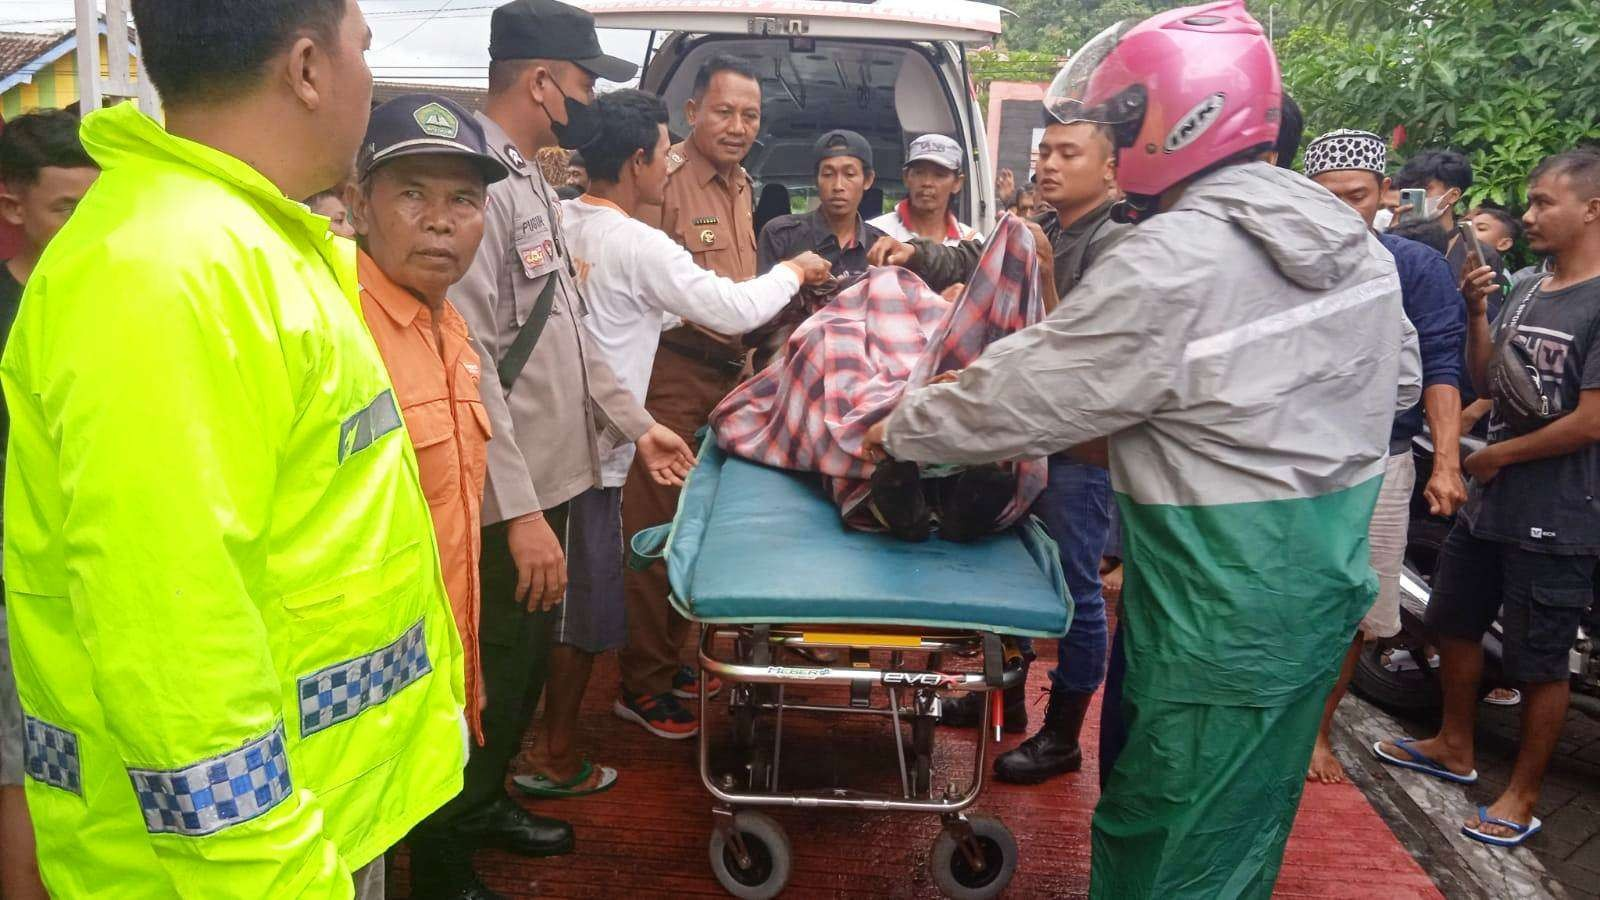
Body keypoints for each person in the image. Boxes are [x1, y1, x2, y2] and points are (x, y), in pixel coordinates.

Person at [863, 3, 1404, 894]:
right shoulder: (1347, 243)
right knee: (1240, 819)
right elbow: (1251, 416)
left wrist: (903, 426)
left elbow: (1038, 384)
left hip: (1221, 594)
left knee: (1171, 831)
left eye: (1121, 121)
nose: (1114, 141)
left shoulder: (1178, 259)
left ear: (1178, 118)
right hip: (1310, 583)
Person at [2, 1, 469, 896]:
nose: (371, 80)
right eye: (363, 50)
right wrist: (273, 874)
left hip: (314, 813)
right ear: (306, 68)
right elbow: (173, 642)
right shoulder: (168, 274)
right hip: (238, 862)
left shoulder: (250, 244)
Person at [413, 1, 697, 894]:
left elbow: (570, 333)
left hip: (559, 470)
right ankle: (445, 857)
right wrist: (521, 511)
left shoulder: (530, 183)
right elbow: (477, 363)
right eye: (581, 83)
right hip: (515, 487)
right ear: (541, 82)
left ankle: (487, 799)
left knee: (527, 655)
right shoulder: (479, 188)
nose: (584, 101)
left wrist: (637, 421)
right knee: (489, 665)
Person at [1374, 149, 1600, 848]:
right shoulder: (1529, 286)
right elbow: (1487, 380)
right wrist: (1477, 314)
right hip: (1492, 500)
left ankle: (1524, 794)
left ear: (1592, 209)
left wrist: (1497, 454)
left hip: (1560, 512)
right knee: (1452, 619)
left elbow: (1592, 419)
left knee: (1538, 659)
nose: (1527, 216)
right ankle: (1455, 744)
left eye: (1541, 203)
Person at [343, 94, 510, 898]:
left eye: (464, 200)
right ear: (357, 201)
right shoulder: (336, 327)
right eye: (412, 193)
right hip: (352, 697)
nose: (441, 221)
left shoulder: (451, 330)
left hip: (437, 659)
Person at [1301, 129, 1467, 785]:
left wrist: (1448, 459)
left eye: (1357, 196)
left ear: (1384, 198)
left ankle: (1317, 731)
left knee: (1352, 610)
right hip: (1284, 464)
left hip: (1381, 461)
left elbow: (1441, 367)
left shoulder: (1414, 268)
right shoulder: (1280, 263)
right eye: (1328, 197)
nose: (1344, 210)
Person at [618, 54, 766, 739]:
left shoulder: (742, 186)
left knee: (698, 523)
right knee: (657, 527)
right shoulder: (666, 181)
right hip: (673, 374)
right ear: (692, 113)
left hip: (728, 377)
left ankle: (673, 658)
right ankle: (641, 684)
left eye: (750, 115)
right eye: (725, 112)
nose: (737, 127)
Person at [0, 106, 96, 900]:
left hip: (94, 585)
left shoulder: (114, 307)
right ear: (13, 206)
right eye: (67, 208)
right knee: (24, 773)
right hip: (17, 589)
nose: (85, 227)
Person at [758, 130, 888, 278]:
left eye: (849, 174)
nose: (838, 185)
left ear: (868, 180)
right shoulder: (781, 236)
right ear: (816, 181)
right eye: (828, 174)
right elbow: (766, 297)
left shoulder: (881, 246)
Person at [1393, 148, 1502, 284]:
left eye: (1424, 189)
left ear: (1453, 195)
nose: (1417, 198)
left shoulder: (1479, 254)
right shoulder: (1391, 244)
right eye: (1409, 190)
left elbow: (1488, 303)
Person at [867, 134, 981, 245]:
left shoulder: (971, 242)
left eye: (939, 175)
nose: (927, 183)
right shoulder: (875, 233)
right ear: (906, 177)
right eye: (919, 173)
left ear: (957, 183)